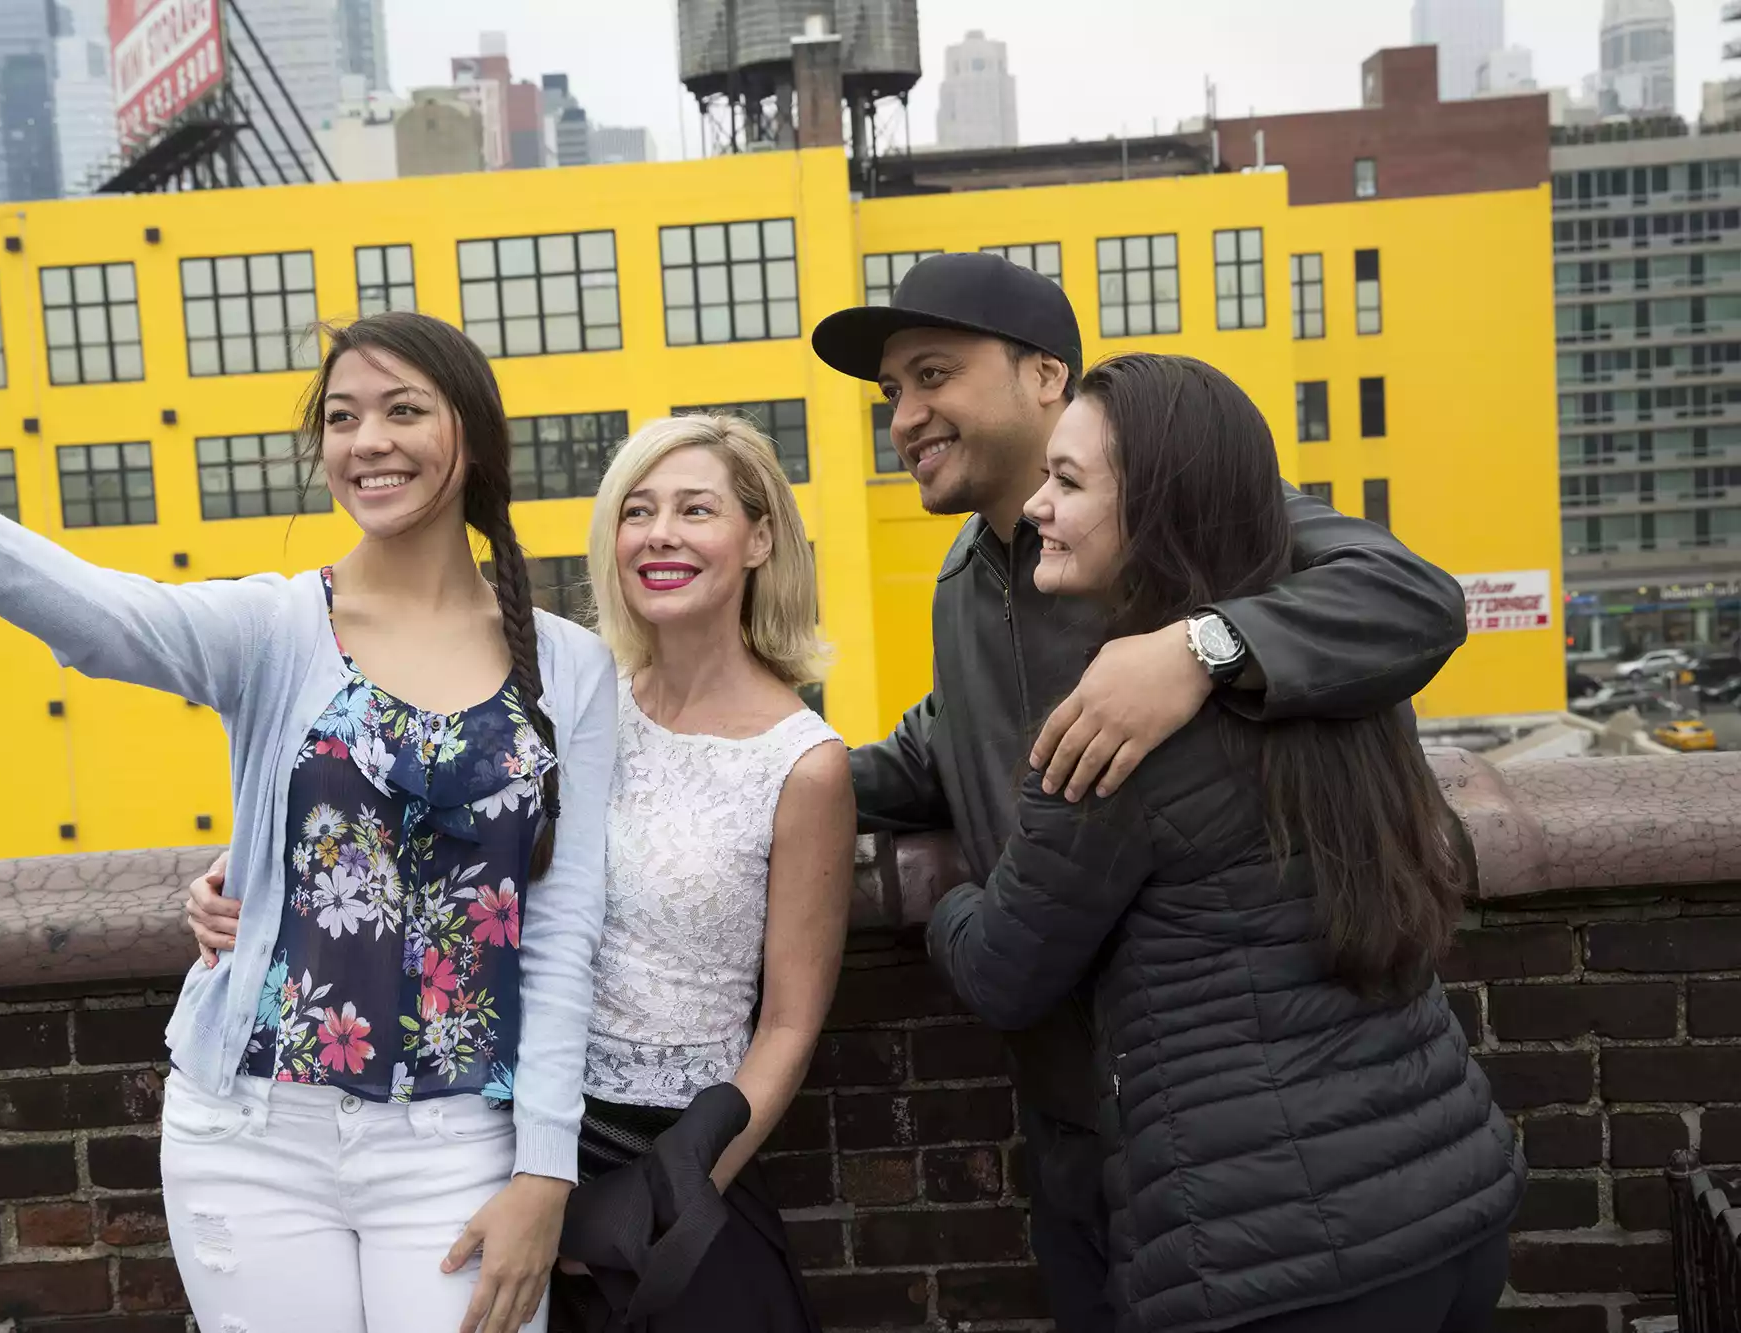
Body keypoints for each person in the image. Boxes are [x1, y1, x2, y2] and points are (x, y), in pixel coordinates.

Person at [0, 312, 619, 1333]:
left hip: (457, 1138)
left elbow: (559, 932)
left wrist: (544, 1173)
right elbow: (97, 616)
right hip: (250, 1132)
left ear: (472, 438)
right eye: (341, 417)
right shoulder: (277, 626)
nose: (367, 440)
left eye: (404, 410)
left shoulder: (569, 669)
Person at [808, 252, 1471, 1331]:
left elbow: (1410, 597)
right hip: (1080, 1135)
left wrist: (1201, 648)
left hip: (1251, 1136)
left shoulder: (1196, 515)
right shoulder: (965, 579)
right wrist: (767, 776)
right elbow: (949, 749)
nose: (904, 416)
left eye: (931, 375)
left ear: (1043, 377)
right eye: (891, 393)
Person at [189, 413, 854, 1331]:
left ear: (761, 537)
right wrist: (254, 876)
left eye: (695, 509)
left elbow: (785, 1026)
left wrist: (658, 1204)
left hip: (676, 1163)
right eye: (637, 510)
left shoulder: (805, 762)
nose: (659, 533)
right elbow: (404, 826)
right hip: (495, 1138)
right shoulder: (562, 696)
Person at [927, 352, 1522, 1333]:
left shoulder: (1115, 734)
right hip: (1452, 1207)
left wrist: (952, 899)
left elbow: (1004, 969)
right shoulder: (1332, 678)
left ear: (1157, 510)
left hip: (1274, 1264)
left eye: (1067, 482)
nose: (1037, 503)